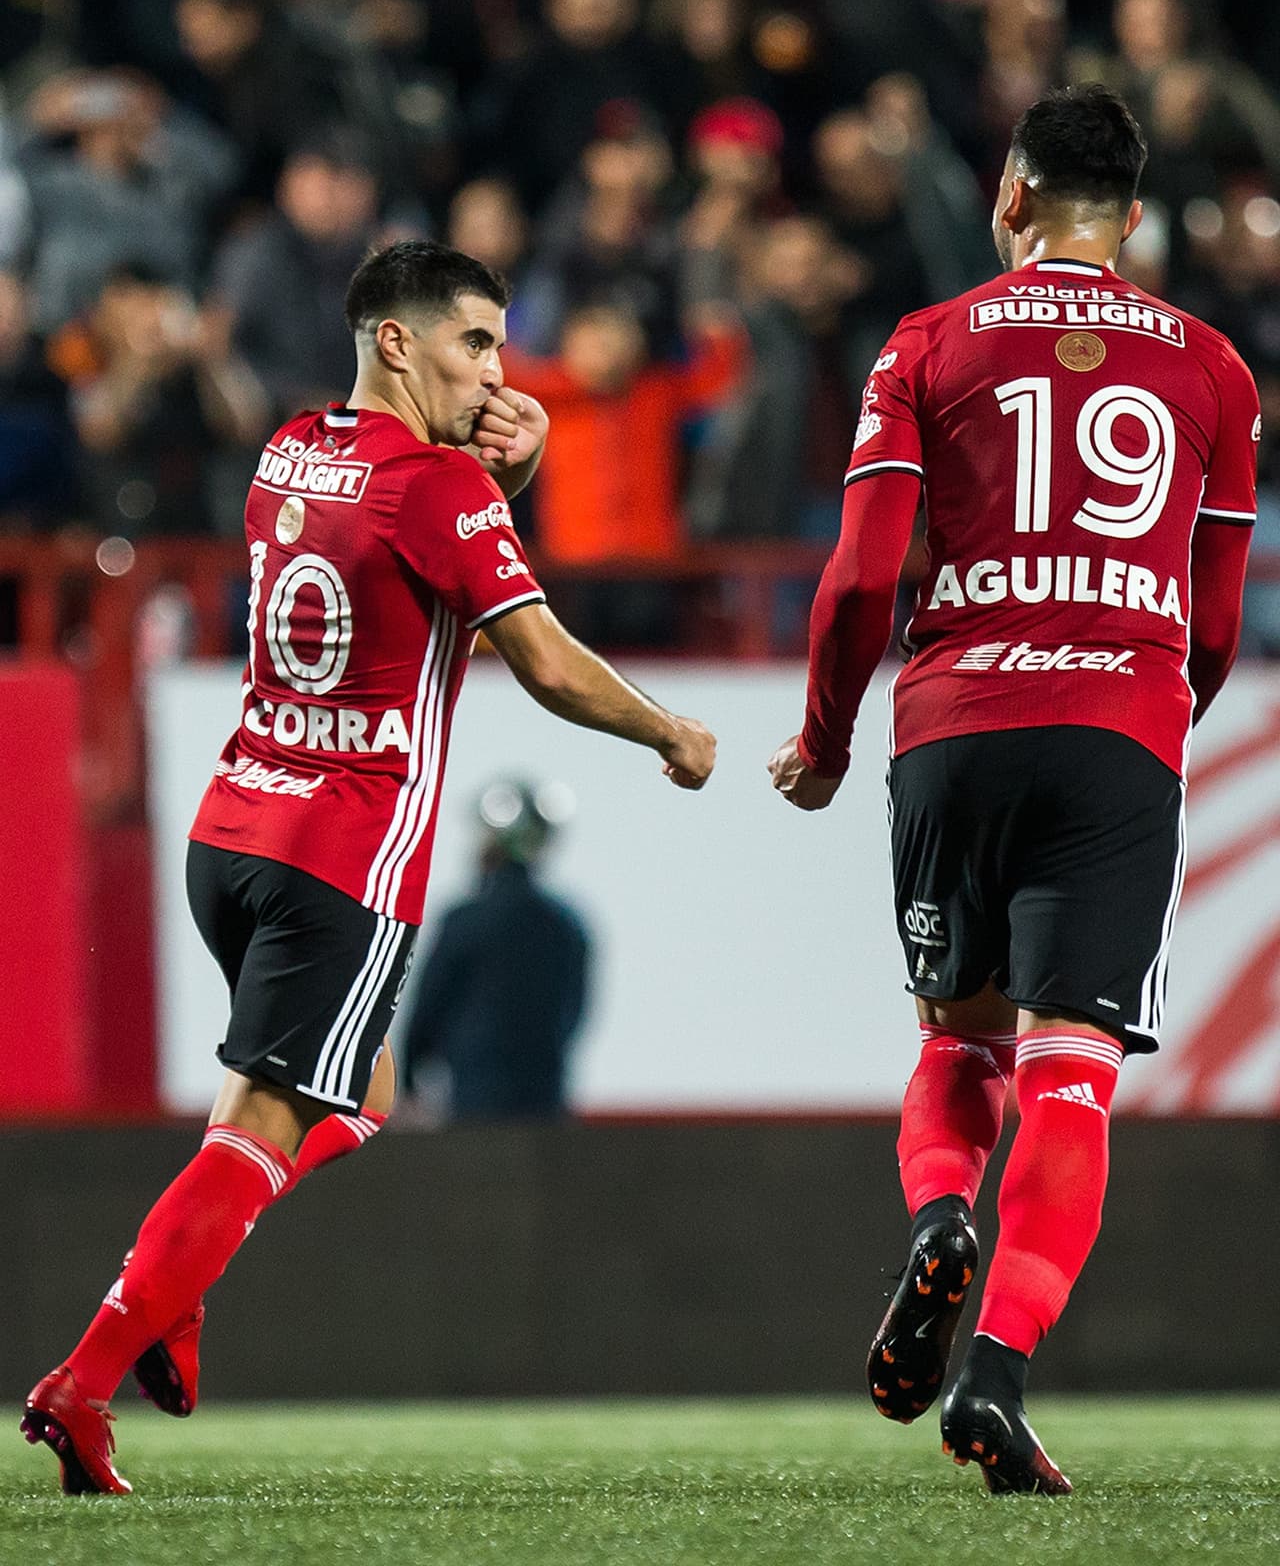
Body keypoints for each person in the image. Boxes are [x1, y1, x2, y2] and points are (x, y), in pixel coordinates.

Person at [22, 238, 716, 1496]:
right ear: (396, 342)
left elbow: (413, 522)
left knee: (355, 1095)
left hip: (230, 833)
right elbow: (545, 660)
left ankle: (174, 1298)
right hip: (341, 857)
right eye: (474, 344)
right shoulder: (439, 491)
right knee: (280, 1126)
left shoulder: (289, 447)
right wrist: (669, 729)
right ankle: (84, 1380)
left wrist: (497, 464)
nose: (496, 372)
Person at [768, 86, 1257, 1494]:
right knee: (1074, 1077)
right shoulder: (1216, 372)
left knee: (959, 1037)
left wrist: (825, 736)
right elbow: (1214, 623)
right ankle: (998, 1370)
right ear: (1135, 217)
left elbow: (863, 575)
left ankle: (938, 1218)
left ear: (1009, 196)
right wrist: (1146, 733)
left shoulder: (926, 343)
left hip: (957, 724)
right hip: (1118, 726)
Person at [403, 778, 591, 1120]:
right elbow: (575, 1013)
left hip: (475, 1099)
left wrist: (409, 1079)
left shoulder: (465, 920)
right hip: (545, 1099)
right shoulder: (567, 925)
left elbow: (428, 1008)